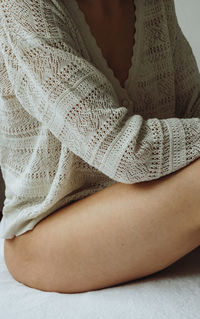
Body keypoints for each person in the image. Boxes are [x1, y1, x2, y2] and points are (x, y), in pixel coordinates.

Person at [0, 0, 200, 294]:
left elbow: (192, 109)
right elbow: (127, 152)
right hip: (47, 232)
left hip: (148, 205)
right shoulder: (22, 7)